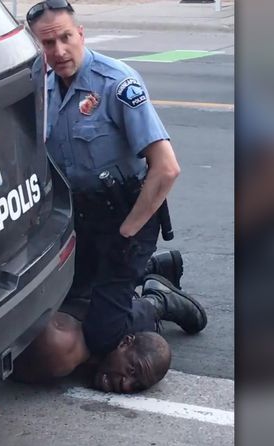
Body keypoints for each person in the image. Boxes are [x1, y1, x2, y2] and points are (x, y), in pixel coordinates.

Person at [26, 0, 206, 358]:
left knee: (103, 335)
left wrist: (128, 232)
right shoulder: (40, 84)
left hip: (127, 218)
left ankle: (159, 299)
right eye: (47, 43)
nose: (58, 51)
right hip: (80, 220)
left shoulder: (116, 83)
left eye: (65, 37)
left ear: (81, 34)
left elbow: (166, 168)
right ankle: (152, 266)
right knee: (63, 299)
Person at [14, 272, 195, 393]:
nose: (126, 385)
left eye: (136, 385)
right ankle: (159, 300)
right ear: (124, 343)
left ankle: (150, 274)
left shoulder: (104, 353)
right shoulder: (62, 348)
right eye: (132, 370)